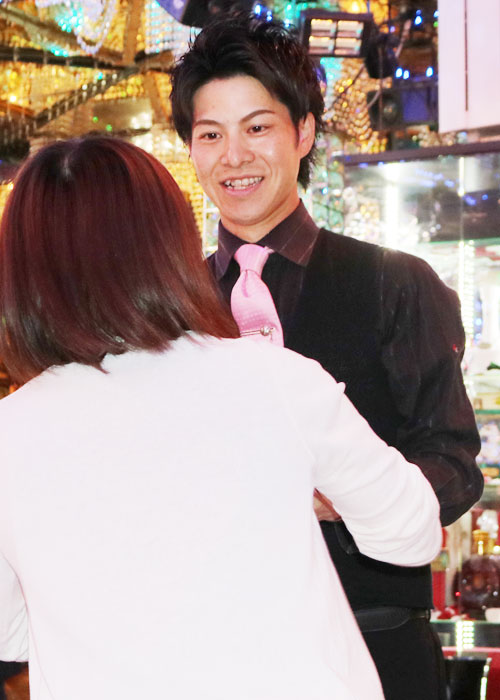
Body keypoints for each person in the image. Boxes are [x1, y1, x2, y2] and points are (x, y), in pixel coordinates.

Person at [0, 135, 441, 700]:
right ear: (171, 244)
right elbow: (410, 534)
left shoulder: (10, 433)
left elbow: (13, 632)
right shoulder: (274, 378)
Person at [170, 14, 484, 700]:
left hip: (374, 642)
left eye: (258, 127)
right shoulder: (170, 308)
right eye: (211, 135)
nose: (234, 156)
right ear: (190, 148)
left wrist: (352, 495)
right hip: (218, 650)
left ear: (304, 132)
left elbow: (455, 466)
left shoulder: (395, 282)